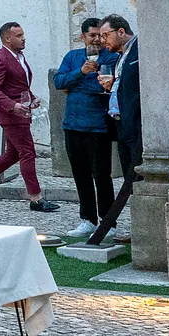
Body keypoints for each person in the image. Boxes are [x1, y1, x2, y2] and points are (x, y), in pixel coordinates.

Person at [0, 22, 60, 212]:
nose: (23, 38)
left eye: (23, 34)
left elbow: (20, 84)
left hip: (22, 111)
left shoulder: (18, 56)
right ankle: (36, 198)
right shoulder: (0, 59)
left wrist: (32, 99)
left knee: (12, 154)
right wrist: (12, 105)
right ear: (7, 38)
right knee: (28, 153)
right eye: (18, 36)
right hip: (12, 115)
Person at [53, 18, 119, 238]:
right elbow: (59, 82)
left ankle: (109, 222)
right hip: (72, 124)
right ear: (83, 37)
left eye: (100, 35)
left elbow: (102, 87)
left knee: (102, 175)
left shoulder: (110, 57)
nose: (97, 40)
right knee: (80, 175)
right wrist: (80, 73)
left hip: (98, 126)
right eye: (92, 36)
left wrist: (77, 85)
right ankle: (87, 219)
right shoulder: (72, 57)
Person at [99, 14, 141, 184]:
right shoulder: (120, 57)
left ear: (121, 32)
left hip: (136, 124)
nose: (102, 41)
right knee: (129, 179)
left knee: (139, 178)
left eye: (105, 35)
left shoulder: (140, 49)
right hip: (121, 124)